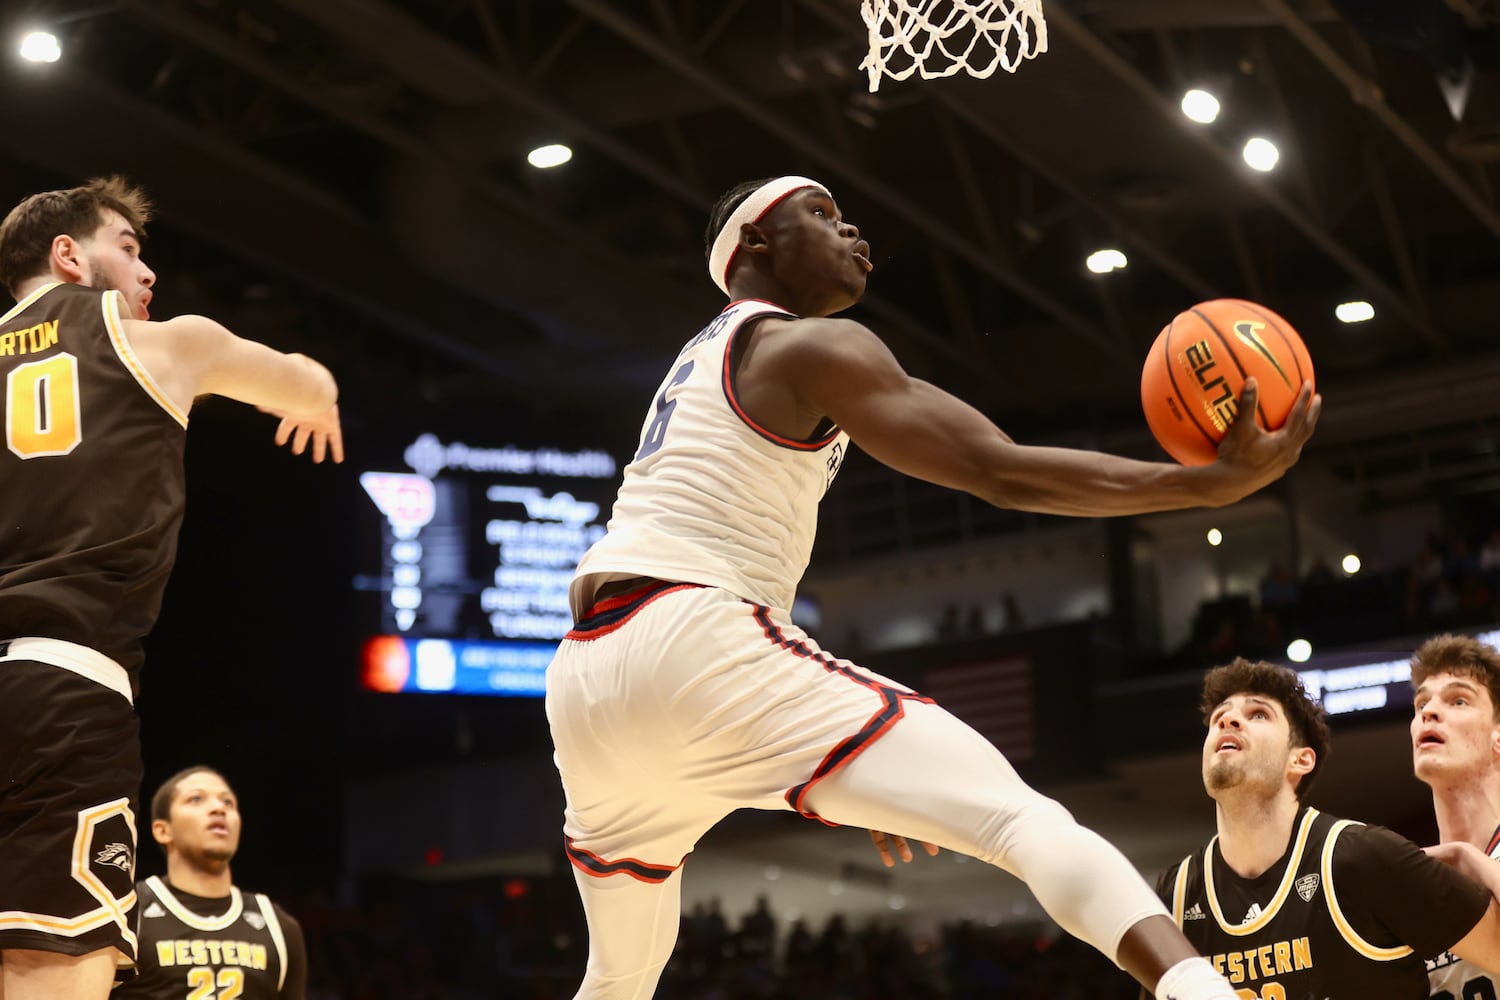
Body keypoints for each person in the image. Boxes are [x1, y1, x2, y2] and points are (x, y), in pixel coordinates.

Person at [544, 175, 1322, 1000]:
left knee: (620, 975)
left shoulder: (703, 358)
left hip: (588, 680)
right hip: (693, 635)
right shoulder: (809, 345)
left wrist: (870, 779)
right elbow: (998, 468)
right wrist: (1201, 486)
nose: (856, 237)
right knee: (1018, 820)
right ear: (756, 246)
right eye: (824, 216)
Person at [0, 177, 340, 1000]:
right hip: (64, 691)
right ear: (68, 255)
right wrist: (320, 391)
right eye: (129, 247)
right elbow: (303, 383)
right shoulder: (167, 344)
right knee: (54, 970)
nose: (146, 272)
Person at [1155, 657, 1500, 998]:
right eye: (1218, 718)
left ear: (1301, 758)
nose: (1228, 720)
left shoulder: (1363, 858)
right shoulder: (1177, 894)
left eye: (1258, 713)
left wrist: (1465, 856)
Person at [112, 767, 306, 1000]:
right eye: (196, 799)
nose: (219, 809)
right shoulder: (127, 913)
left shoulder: (279, 926)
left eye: (228, 803)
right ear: (163, 831)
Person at [1409, 634, 1500, 999]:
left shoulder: (1413, 875)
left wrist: (1464, 856)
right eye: (1421, 705)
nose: (1428, 712)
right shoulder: (1410, 883)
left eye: (1458, 700)